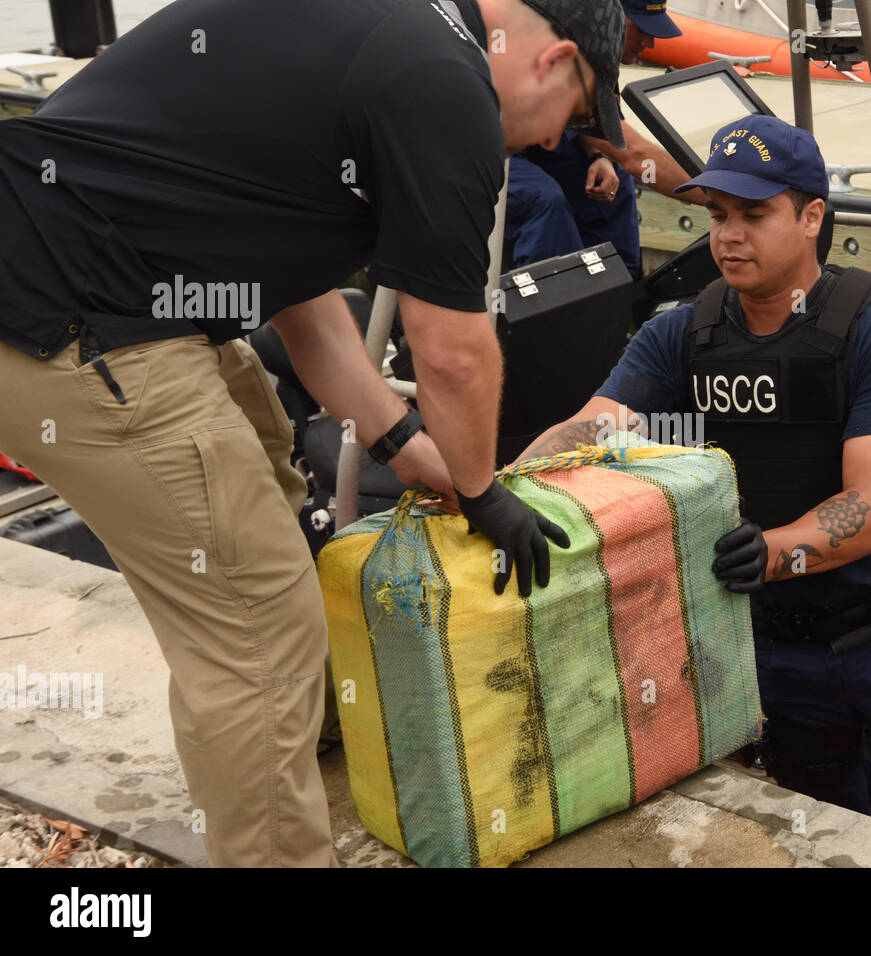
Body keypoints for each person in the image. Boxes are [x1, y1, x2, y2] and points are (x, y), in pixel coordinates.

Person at [0, 0, 627, 866]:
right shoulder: (448, 86)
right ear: (556, 61)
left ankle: (312, 738)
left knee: (277, 487)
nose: (555, 144)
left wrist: (408, 449)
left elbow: (302, 299)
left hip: (130, 295)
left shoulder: (391, 33)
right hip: (72, 315)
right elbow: (452, 353)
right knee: (257, 630)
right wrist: (484, 489)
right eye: (579, 118)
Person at [516, 115, 871, 830]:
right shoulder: (681, 333)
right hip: (777, 644)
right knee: (820, 833)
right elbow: (596, 426)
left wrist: (770, 551)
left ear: (810, 217)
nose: (729, 234)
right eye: (717, 215)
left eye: (754, 214)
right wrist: (502, 486)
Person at [505, 0, 703, 276]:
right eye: (640, 29)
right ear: (612, 16)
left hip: (529, 133)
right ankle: (552, 305)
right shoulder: (566, 41)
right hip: (479, 138)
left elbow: (594, 124)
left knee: (613, 179)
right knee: (543, 200)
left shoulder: (599, 42)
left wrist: (599, 155)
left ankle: (617, 293)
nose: (650, 43)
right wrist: (722, 195)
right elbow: (637, 156)